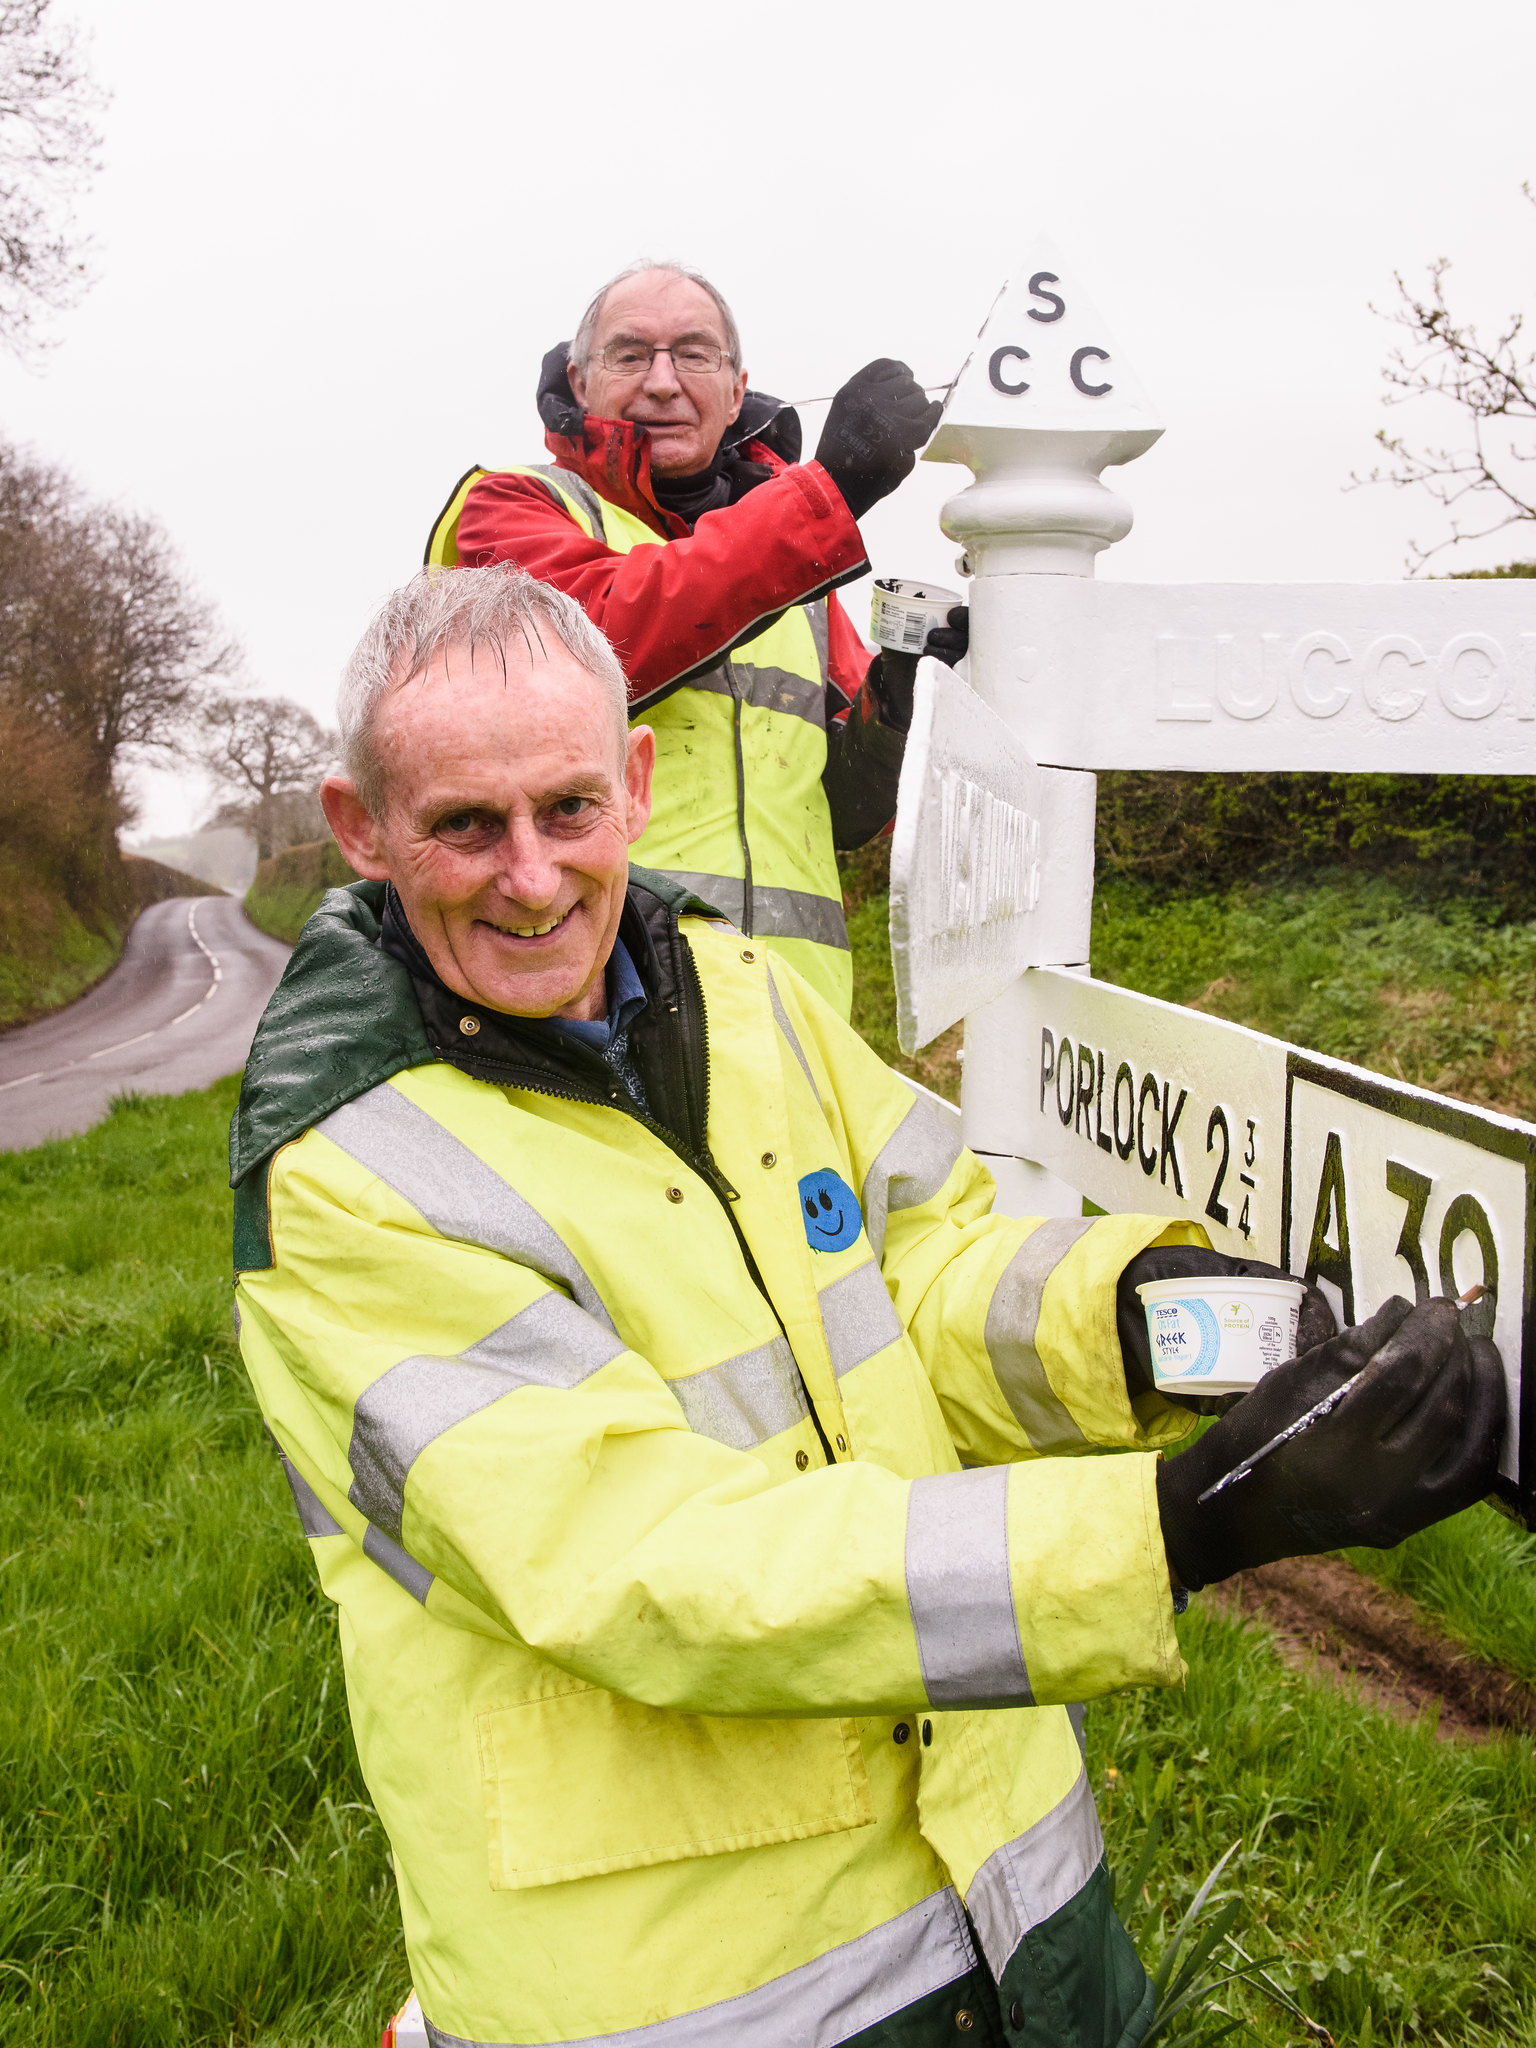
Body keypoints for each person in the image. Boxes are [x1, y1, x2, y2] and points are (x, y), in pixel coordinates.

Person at [232, 564, 1504, 2048]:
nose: (530, 875)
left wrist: (1150, 1318)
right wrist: (1182, 1526)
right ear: (361, 831)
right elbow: (651, 1566)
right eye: (465, 825)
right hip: (712, 1996)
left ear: (635, 785)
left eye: (568, 807)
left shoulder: (738, 986)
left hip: (1011, 1881)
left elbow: (924, 1264)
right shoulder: (346, 1177)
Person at [423, 258, 967, 1021]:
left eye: (694, 354)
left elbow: (844, 811)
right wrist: (830, 491)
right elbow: (596, 649)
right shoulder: (508, 507)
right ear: (581, 383)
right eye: (631, 354)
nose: (663, 381)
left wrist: (897, 698)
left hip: (798, 1023)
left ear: (737, 389)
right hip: (591, 1016)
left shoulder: (795, 565)